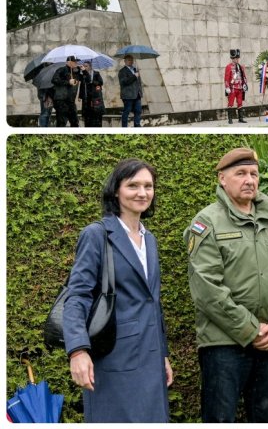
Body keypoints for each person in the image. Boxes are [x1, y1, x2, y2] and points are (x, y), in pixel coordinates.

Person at [185, 148, 268, 422]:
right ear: (222, 179)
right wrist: (251, 330)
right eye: (240, 173)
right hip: (223, 344)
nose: (249, 180)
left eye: (253, 174)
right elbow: (207, 288)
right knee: (220, 418)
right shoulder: (207, 222)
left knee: (266, 417)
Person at [63, 159, 173, 422]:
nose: (142, 192)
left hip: (151, 357)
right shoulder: (97, 234)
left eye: (148, 186)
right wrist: (77, 350)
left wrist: (164, 354)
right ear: (116, 191)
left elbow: (152, 302)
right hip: (114, 357)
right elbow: (77, 295)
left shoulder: (150, 239)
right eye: (133, 185)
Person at [51, 55, 81, 127]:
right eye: (74, 62)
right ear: (69, 62)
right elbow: (54, 80)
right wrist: (68, 82)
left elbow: (86, 80)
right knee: (61, 122)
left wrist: (84, 71)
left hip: (71, 101)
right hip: (61, 100)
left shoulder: (76, 72)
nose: (76, 63)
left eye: (76, 62)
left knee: (75, 122)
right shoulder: (61, 70)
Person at [224, 49, 248, 124]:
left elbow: (243, 76)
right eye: (236, 58)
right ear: (233, 58)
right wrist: (227, 87)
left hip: (240, 88)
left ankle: (240, 118)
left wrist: (244, 84)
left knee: (240, 103)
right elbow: (226, 78)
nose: (237, 59)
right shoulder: (228, 67)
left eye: (238, 58)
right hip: (233, 88)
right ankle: (230, 119)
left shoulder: (241, 67)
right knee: (230, 103)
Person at [118, 54, 142, 127]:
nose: (130, 61)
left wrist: (140, 92)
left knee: (138, 111)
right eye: (128, 60)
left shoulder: (135, 69)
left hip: (137, 94)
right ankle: (124, 127)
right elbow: (124, 82)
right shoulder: (122, 71)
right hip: (128, 96)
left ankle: (137, 126)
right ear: (125, 61)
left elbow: (138, 83)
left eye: (131, 60)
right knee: (127, 111)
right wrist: (134, 76)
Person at [79, 60, 104, 127]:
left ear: (90, 67)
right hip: (86, 98)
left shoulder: (96, 73)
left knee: (96, 115)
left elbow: (100, 82)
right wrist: (80, 96)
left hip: (95, 97)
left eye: (86, 66)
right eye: (83, 66)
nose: (84, 67)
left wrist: (92, 82)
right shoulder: (83, 75)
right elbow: (82, 85)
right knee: (87, 116)